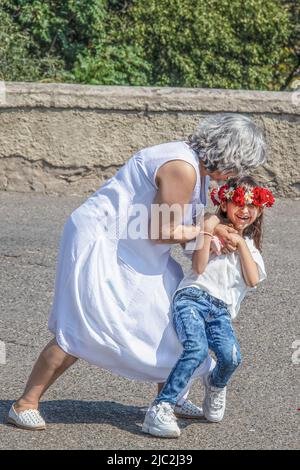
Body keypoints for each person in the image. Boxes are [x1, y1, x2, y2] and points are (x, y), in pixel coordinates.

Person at [7, 114, 267, 431]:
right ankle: (25, 404)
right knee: (84, 325)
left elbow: (176, 231)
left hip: (135, 244)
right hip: (103, 241)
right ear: (231, 155)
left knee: (170, 310)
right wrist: (210, 229)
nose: (235, 176)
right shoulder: (182, 169)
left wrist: (212, 238)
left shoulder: (193, 168)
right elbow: (162, 230)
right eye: (239, 166)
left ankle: (170, 400)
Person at [142, 176, 274, 438]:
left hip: (221, 310)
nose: (244, 210)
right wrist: (209, 228)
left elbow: (253, 279)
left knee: (232, 357)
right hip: (192, 297)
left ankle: (215, 384)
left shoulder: (251, 249)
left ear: (259, 211)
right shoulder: (210, 232)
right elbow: (199, 267)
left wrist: (239, 245)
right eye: (237, 202)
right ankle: (161, 407)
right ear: (224, 204)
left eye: (252, 205)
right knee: (197, 348)